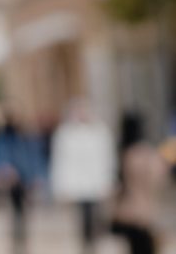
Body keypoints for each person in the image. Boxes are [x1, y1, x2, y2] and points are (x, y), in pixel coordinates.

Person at [50, 99, 116, 251]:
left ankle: (95, 240)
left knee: (97, 215)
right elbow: (61, 160)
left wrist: (109, 181)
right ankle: (87, 243)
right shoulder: (66, 133)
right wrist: (61, 186)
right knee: (84, 216)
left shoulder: (100, 131)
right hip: (78, 184)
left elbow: (107, 158)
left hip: (96, 181)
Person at [110, 113, 170, 254]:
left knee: (133, 246)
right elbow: (158, 178)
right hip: (143, 210)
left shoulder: (122, 151)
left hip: (125, 209)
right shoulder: (144, 152)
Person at [0, 115, 40, 253]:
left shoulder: (24, 137)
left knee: (21, 212)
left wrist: (31, 177)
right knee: (12, 212)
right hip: (8, 179)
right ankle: (15, 241)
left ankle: (21, 240)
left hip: (22, 179)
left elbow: (31, 157)